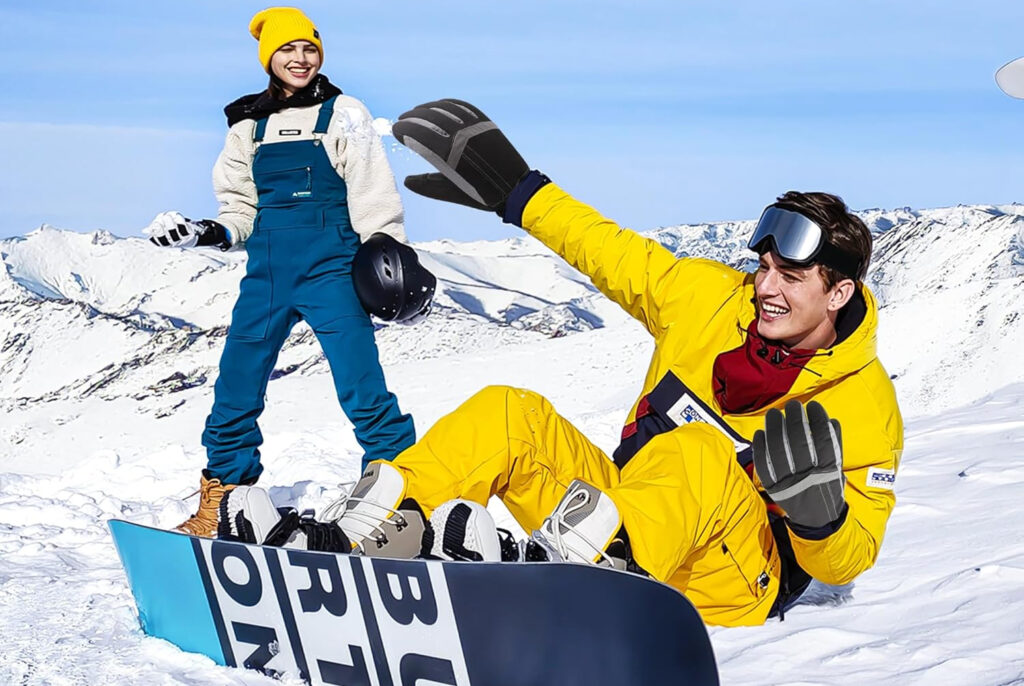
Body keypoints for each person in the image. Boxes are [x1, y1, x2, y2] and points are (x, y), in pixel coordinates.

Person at [221, 99, 904, 628]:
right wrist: (519, 194)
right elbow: (610, 251)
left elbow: (851, 558)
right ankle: (363, 539)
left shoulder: (865, 405)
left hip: (735, 576)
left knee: (697, 450)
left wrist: (819, 519)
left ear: (838, 293)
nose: (766, 287)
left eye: (791, 276)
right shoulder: (708, 300)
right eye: (764, 268)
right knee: (508, 413)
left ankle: (583, 586)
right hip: (613, 528)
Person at [143, 7, 434, 538]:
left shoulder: (344, 113)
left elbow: (373, 195)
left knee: (364, 390)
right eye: (287, 49)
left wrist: (390, 254)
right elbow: (240, 212)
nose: (300, 59)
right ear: (268, 57)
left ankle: (402, 502)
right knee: (235, 390)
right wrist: (203, 232)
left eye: (309, 49)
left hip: (333, 272)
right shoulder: (247, 127)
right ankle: (224, 504)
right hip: (267, 279)